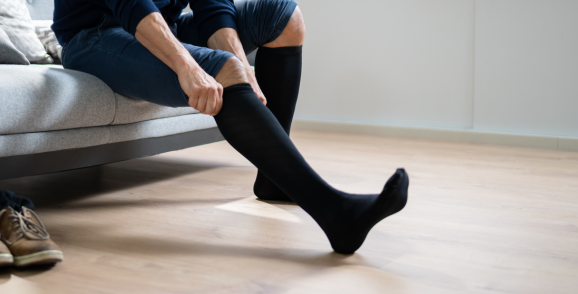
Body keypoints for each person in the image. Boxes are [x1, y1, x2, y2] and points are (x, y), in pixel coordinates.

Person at [52, 0, 410, 255]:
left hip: (166, 19)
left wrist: (242, 63)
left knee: (283, 15)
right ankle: (337, 215)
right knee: (222, 69)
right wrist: (189, 67)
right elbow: (130, 5)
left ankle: (273, 180)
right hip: (96, 35)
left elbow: (211, 4)